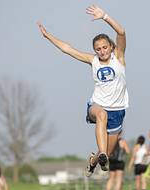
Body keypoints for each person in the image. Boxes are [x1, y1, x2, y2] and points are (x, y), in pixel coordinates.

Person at [37, 5, 129, 177]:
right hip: (97, 105)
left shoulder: (119, 58)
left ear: (111, 47)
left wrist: (105, 16)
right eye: (98, 49)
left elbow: (122, 32)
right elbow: (68, 49)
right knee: (101, 115)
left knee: (106, 156)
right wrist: (48, 36)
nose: (102, 51)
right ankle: (101, 153)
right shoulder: (92, 60)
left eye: (104, 47)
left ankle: (94, 160)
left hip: (118, 109)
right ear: (95, 50)